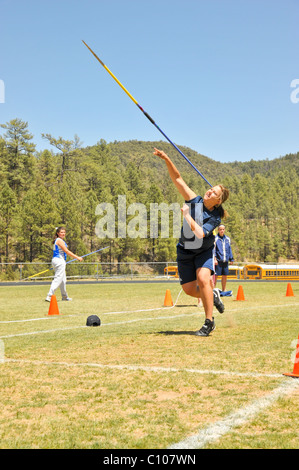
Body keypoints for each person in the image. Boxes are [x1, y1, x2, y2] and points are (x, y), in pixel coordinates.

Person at [153, 148, 229, 336]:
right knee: (189, 290)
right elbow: (177, 179)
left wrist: (187, 216)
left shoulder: (215, 217)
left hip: (202, 251)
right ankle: (213, 295)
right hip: (185, 251)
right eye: (211, 189)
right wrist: (166, 158)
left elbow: (201, 234)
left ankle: (208, 322)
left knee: (203, 279)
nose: (209, 191)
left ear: (218, 201)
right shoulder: (194, 199)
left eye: (214, 192)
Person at [45, 226, 83, 302]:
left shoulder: (59, 240)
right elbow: (67, 251)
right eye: (61, 232)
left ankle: (64, 296)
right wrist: (77, 257)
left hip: (58, 261)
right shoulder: (59, 240)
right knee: (58, 278)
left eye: (64, 232)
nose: (63, 234)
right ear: (58, 233)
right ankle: (49, 295)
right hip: (59, 261)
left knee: (63, 280)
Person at [214, 224, 234, 292]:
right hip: (218, 261)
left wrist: (231, 259)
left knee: (225, 276)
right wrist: (215, 259)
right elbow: (213, 250)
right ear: (218, 230)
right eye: (220, 229)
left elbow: (229, 249)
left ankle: (224, 289)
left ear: (224, 230)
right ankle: (213, 290)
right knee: (216, 276)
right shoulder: (215, 239)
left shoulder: (227, 239)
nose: (222, 231)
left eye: (223, 229)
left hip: (225, 261)